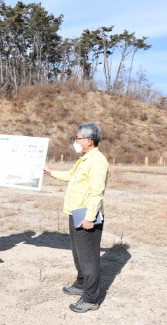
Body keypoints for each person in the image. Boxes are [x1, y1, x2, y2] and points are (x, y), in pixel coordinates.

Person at [44, 122, 110, 313]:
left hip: (86, 217)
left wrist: (89, 218)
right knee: (78, 254)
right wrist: (51, 173)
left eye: (78, 138)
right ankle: (81, 284)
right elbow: (71, 176)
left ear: (89, 141)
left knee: (89, 258)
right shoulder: (84, 159)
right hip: (76, 213)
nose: (76, 141)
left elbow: (97, 192)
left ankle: (90, 298)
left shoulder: (98, 161)